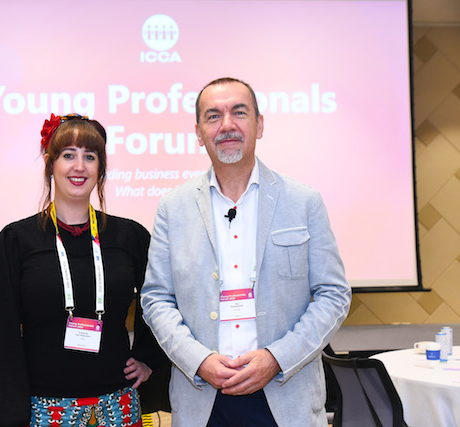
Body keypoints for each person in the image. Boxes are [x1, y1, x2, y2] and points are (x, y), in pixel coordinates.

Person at [141, 77, 352, 427]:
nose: (227, 125)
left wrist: (276, 358)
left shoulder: (304, 202)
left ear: (260, 124)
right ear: (199, 132)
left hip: (286, 396)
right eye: (213, 116)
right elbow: (156, 299)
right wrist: (198, 360)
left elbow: (333, 294)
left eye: (239, 112)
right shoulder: (173, 208)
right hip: (202, 401)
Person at [0, 113, 163, 427]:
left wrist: (148, 358)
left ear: (100, 169)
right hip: (42, 410)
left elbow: (159, 300)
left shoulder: (129, 237)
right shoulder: (16, 241)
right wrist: (8, 413)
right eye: (68, 155)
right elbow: (0, 332)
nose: (79, 166)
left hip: (117, 406)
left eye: (90, 157)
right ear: (50, 164)